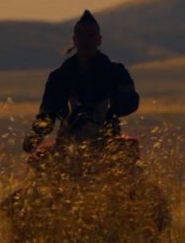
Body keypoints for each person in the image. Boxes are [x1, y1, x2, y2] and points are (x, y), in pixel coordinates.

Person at [22, 10, 139, 152]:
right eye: (82, 36)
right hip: (68, 144)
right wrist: (35, 137)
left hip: (107, 141)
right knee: (41, 162)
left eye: (91, 35)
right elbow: (48, 114)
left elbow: (130, 103)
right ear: (75, 40)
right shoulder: (60, 77)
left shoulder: (116, 73)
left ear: (99, 40)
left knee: (129, 153)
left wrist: (112, 107)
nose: (86, 40)